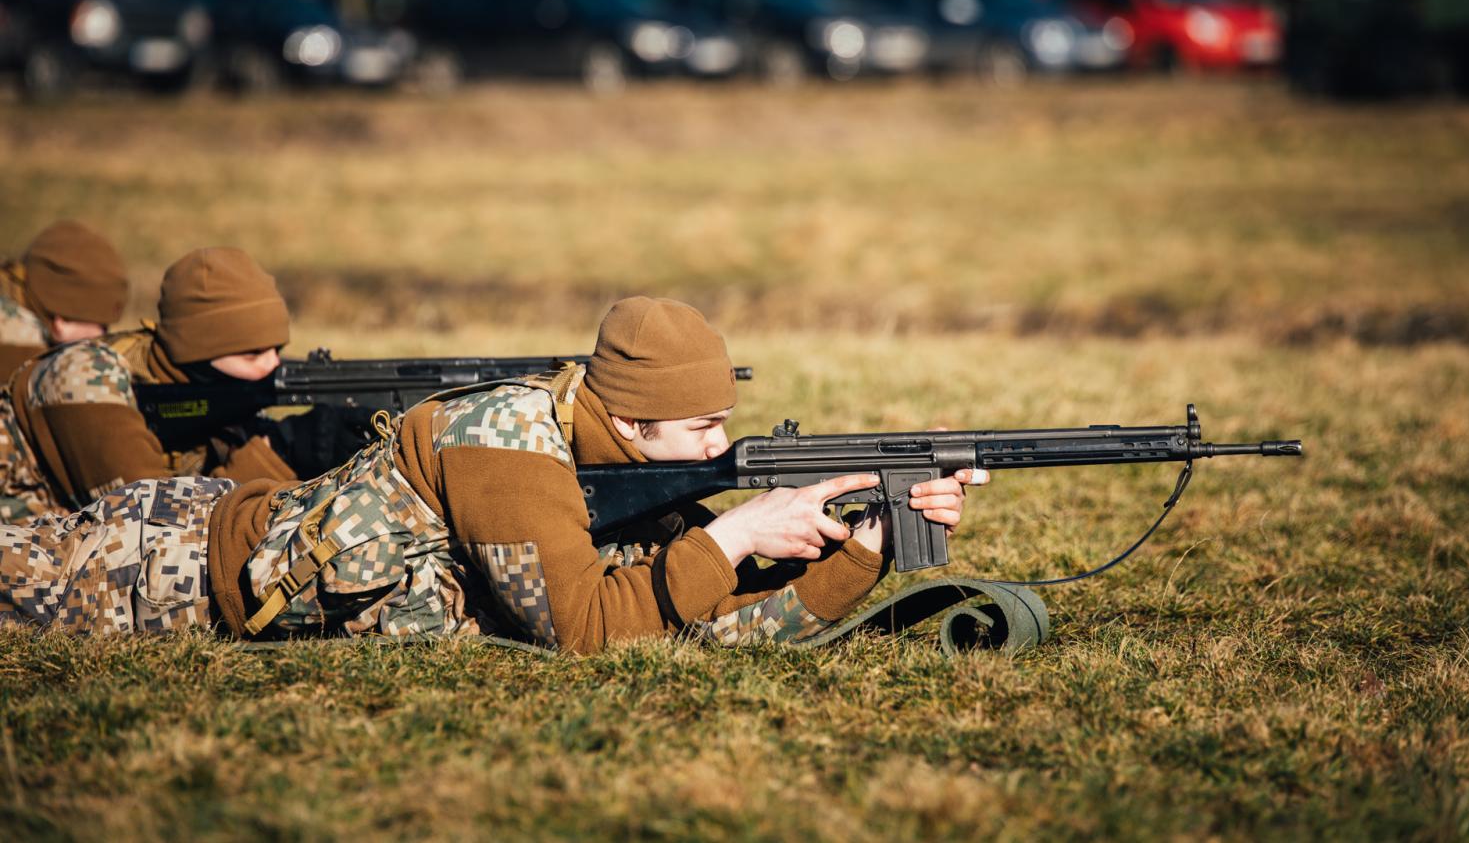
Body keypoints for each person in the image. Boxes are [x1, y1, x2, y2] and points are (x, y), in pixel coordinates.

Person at [0, 297, 986, 652]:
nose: (715, 449)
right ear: (630, 420)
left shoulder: (599, 452)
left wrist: (868, 544)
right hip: (138, 568)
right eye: (702, 428)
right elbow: (593, 629)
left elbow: (690, 623)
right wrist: (734, 534)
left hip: (203, 524)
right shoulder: (508, 445)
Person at [0, 246, 298, 522]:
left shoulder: (222, 399)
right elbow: (152, 525)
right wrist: (275, 453)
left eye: (278, 350)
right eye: (253, 353)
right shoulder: (84, 377)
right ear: (199, 349)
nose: (274, 366)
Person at [0, 220, 129, 379]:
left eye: (104, 326)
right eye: (97, 326)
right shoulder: (17, 338)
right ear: (60, 323)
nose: (101, 336)